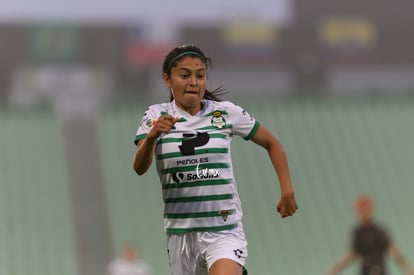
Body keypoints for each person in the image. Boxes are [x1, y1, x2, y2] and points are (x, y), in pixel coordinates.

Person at [133, 44, 298, 275]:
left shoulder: (225, 112)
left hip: (223, 230)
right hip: (181, 235)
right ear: (167, 80)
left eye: (200, 76)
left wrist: (287, 189)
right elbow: (139, 168)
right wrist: (151, 137)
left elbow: (273, 144)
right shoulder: (155, 115)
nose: (194, 81)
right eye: (184, 75)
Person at [328, 195, 414, 275]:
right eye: (361, 210)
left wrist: (407, 268)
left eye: (366, 209)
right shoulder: (357, 232)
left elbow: (393, 251)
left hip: (378, 270)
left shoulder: (379, 231)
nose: (364, 213)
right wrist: (337, 267)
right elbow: (353, 253)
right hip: (364, 271)